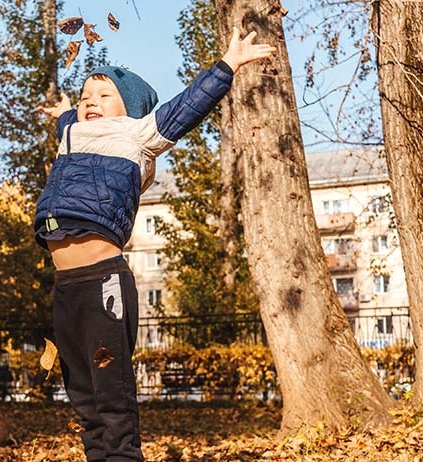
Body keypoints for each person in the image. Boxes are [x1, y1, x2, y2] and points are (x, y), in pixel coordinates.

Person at [34, 28, 275, 461]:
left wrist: (227, 66)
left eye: (103, 95)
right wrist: (67, 109)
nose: (91, 101)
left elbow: (186, 108)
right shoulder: (71, 134)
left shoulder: (137, 134)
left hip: (101, 281)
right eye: (86, 94)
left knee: (112, 395)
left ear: (130, 110)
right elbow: (68, 122)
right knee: (82, 396)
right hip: (65, 287)